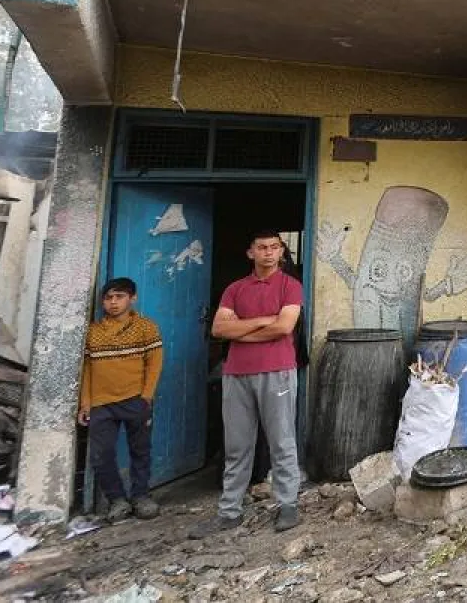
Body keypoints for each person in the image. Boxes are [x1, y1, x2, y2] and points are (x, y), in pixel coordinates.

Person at [190, 230, 305, 537]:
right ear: (250, 253)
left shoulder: (290, 286)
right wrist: (262, 321)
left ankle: (288, 505)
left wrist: (241, 332)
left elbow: (284, 327)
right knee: (237, 445)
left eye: (274, 247)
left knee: (281, 440)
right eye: (262, 247)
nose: (268, 252)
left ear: (281, 251)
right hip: (236, 373)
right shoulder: (235, 289)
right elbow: (219, 329)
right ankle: (229, 511)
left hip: (277, 370)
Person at [79, 277, 163, 522]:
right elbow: (86, 369)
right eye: (108, 298)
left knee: (140, 450)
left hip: (135, 399)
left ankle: (141, 497)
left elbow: (154, 364)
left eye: (120, 297)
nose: (113, 303)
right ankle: (117, 500)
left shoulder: (146, 327)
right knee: (101, 454)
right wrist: (86, 403)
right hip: (101, 404)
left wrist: (146, 396)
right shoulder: (93, 332)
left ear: (132, 298)